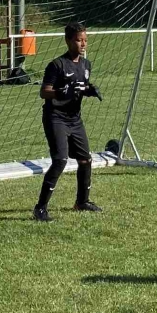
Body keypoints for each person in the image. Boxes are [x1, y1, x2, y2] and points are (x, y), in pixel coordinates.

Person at [33, 22, 103, 221]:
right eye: (79, 40)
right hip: (56, 118)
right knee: (60, 160)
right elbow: (44, 92)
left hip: (75, 119)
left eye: (85, 40)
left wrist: (89, 90)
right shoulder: (57, 65)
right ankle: (40, 208)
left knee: (85, 160)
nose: (83, 44)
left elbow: (80, 87)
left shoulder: (86, 65)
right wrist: (61, 92)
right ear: (68, 41)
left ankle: (82, 202)